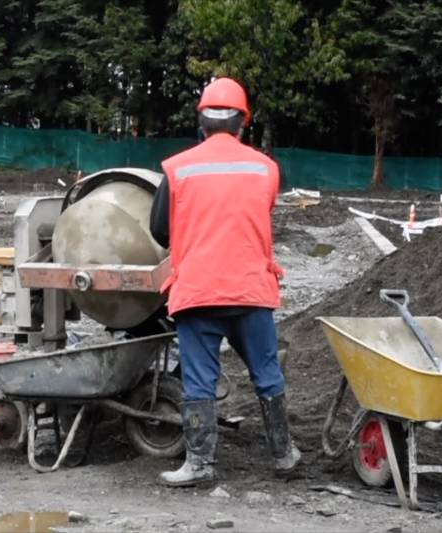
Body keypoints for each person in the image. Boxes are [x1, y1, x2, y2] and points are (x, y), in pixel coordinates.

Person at [150, 78, 301, 487]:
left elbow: (160, 231)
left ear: (201, 121)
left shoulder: (178, 168)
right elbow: (255, 213)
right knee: (266, 374)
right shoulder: (264, 168)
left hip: (199, 292)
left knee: (199, 379)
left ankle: (200, 464)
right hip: (252, 291)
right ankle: (284, 455)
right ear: (242, 123)